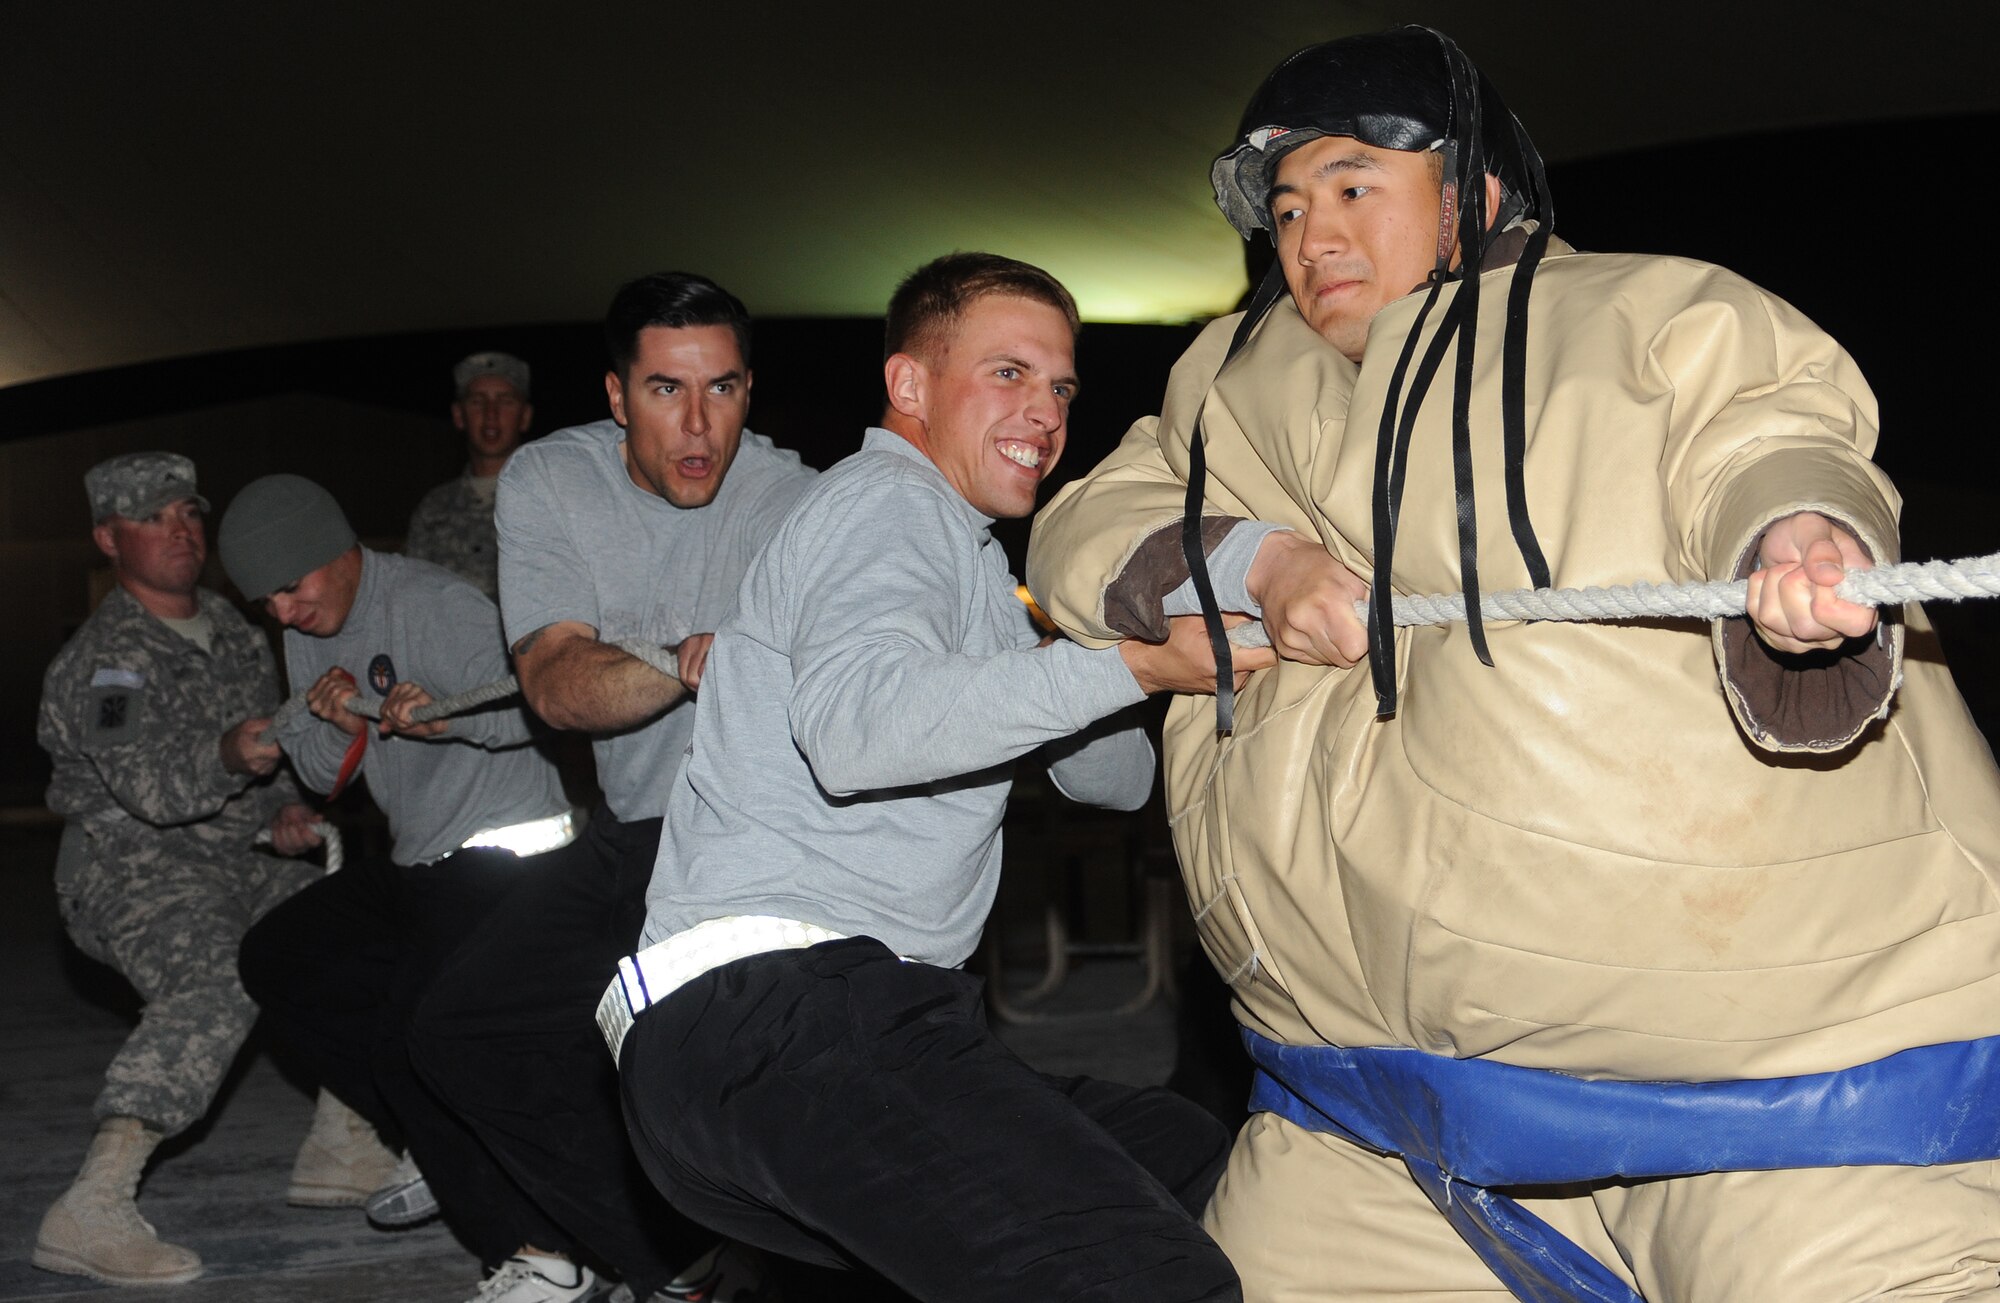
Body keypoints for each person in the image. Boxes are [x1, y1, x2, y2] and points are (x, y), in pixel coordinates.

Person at [1027, 24, 2000, 1303]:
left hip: (1787, 1108)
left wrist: (1798, 539)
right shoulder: (1224, 383)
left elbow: (1765, 430)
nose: (1310, 234)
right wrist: (1254, 559)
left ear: (1473, 189)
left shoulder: (1644, 315)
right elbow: (1078, 528)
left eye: (1353, 187)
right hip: (1364, 1127)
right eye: (1286, 206)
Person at [603, 252, 1258, 1303]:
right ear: (909, 386)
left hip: (779, 1046)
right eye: (1006, 374)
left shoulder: (973, 571)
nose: (1042, 412)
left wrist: (1091, 626)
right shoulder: (886, 506)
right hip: (787, 1016)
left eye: (1059, 387)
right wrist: (1130, 664)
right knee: (1141, 1276)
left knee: (1179, 1150)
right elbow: (860, 732)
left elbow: (1113, 778)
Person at [407, 271, 817, 1303]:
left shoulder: (799, 501)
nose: (697, 425)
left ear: (748, 392)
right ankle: (658, 1258)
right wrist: (688, 659)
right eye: (665, 390)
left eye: (721, 389)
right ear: (614, 394)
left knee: (713, 1075)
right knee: (457, 1032)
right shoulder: (551, 483)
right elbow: (554, 685)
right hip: (636, 832)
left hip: (763, 842)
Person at [219, 474, 591, 1297]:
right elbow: (323, 776)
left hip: (512, 854)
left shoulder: (436, 603)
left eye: (289, 586)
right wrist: (336, 725)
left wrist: (447, 713)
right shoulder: (308, 628)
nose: (281, 610)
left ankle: (541, 1255)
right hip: (423, 862)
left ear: (337, 551)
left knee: (412, 1038)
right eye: (265, 599)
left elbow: (533, 705)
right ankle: (434, 1132)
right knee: (278, 958)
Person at [33, 453, 334, 1287]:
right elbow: (150, 791)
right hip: (126, 870)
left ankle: (346, 1143)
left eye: (187, 512)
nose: (180, 529)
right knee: (219, 972)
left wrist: (282, 810)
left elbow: (268, 769)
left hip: (233, 857)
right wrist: (232, 752)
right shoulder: (107, 665)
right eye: (152, 516)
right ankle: (91, 1205)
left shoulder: (237, 630)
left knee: (347, 932)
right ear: (107, 537)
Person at [406, 350, 535, 598]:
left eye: (505, 401)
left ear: (525, 416)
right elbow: (414, 596)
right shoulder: (434, 508)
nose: (490, 414)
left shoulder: (548, 499)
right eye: (477, 401)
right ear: (458, 415)